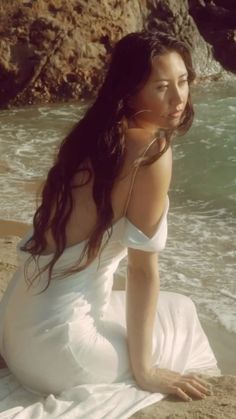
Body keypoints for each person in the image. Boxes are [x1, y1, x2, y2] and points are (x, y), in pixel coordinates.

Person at [0, 30, 220, 418]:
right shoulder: (152, 151)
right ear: (131, 91)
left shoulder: (89, 139)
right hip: (59, 353)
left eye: (184, 80)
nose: (178, 98)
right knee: (180, 322)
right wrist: (146, 371)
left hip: (16, 330)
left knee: (173, 308)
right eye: (162, 87)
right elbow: (141, 272)